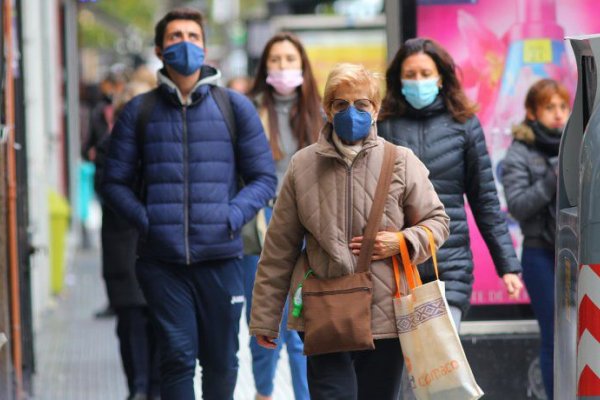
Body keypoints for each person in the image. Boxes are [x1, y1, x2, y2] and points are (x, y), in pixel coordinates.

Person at [102, 8, 277, 400]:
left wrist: (231, 216)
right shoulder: (139, 112)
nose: (185, 44)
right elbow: (114, 183)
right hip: (162, 264)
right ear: (160, 50)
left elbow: (264, 178)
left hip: (222, 258)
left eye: (193, 36)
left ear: (205, 46)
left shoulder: (235, 107)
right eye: (175, 36)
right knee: (177, 359)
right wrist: (147, 221)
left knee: (221, 361)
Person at [249, 63, 450, 400]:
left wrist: (402, 240)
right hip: (323, 310)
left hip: (385, 316)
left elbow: (438, 222)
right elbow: (278, 249)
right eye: (341, 104)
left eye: (362, 104)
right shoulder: (302, 165)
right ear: (327, 109)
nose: (350, 112)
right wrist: (265, 320)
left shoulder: (400, 161)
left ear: (376, 111)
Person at [378, 38, 524, 325]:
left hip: (450, 266)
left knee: (441, 361)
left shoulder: (464, 124)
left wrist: (507, 266)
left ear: (441, 78)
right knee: (404, 368)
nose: (418, 81)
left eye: (425, 73)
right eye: (410, 75)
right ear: (398, 80)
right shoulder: (382, 125)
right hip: (394, 266)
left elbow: (485, 201)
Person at [243, 31, 322, 400]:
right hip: (260, 227)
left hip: (308, 229)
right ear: (264, 67)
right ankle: (263, 392)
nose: (283, 67)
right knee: (264, 320)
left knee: (301, 324)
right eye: (275, 60)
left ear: (303, 65)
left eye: (290, 59)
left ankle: (304, 396)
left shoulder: (320, 112)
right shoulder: (247, 109)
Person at [501, 79, 569, 400]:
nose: (558, 115)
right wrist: (552, 179)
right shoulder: (519, 152)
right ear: (531, 112)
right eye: (549, 107)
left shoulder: (580, 144)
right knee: (554, 336)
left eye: (562, 107)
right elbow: (517, 206)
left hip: (579, 253)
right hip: (540, 253)